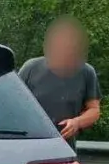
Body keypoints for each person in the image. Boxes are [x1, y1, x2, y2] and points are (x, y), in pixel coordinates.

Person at [19, 16, 102, 149]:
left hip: (63, 148)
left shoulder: (86, 72)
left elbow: (94, 110)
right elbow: (12, 104)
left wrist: (76, 123)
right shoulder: (31, 68)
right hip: (28, 145)